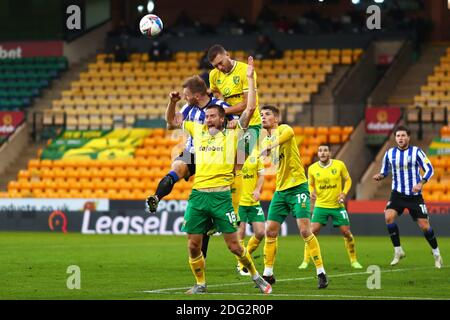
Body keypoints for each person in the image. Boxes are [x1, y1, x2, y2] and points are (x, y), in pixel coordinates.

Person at [157, 56, 272, 294]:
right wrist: (173, 103)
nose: (209, 119)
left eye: (213, 116)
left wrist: (250, 79)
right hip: (198, 196)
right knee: (192, 245)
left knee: (235, 247)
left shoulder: (232, 134)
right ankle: (200, 284)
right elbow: (171, 122)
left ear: (222, 119)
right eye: (207, 116)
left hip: (220, 197)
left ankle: (256, 276)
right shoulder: (196, 129)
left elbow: (250, 108)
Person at [145, 75, 237, 260]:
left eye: (186, 95)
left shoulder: (220, 107)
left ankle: (208, 238)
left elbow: (238, 124)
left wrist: (234, 124)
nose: (184, 98)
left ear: (196, 95)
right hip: (193, 151)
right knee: (177, 167)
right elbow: (171, 124)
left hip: (214, 156)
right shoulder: (189, 108)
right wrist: (172, 103)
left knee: (206, 203)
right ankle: (156, 197)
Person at [259, 105, 328, 289]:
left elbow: (283, 138)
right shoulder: (267, 139)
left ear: (276, 118)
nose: (263, 117)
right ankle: (268, 273)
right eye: (261, 115)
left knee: (305, 230)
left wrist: (269, 146)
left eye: (267, 114)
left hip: (298, 188)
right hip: (280, 191)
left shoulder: (285, 129)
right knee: (270, 230)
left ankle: (321, 272)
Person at [373, 125, 443, 268]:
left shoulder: (417, 152)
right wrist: (381, 176)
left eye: (403, 135)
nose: (400, 138)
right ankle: (398, 251)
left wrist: (421, 182)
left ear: (408, 137)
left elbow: (430, 169)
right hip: (397, 194)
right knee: (388, 217)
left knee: (425, 226)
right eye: (398, 136)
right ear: (395, 138)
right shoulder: (389, 153)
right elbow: (385, 170)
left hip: (414, 195)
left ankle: (436, 253)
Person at [207, 44, 262, 215]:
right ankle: (221, 211)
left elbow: (247, 104)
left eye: (221, 63)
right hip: (231, 124)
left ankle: (235, 214)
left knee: (237, 164)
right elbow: (216, 99)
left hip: (251, 124)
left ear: (228, 55)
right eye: (215, 65)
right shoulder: (214, 75)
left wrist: (223, 113)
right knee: (224, 169)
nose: (219, 68)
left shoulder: (246, 71)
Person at [298, 145, 363, 270]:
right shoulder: (312, 168)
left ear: (330, 153)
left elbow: (348, 180)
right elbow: (310, 183)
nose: (322, 153)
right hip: (320, 206)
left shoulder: (339, 165)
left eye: (325, 150)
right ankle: (305, 260)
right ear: (318, 153)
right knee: (311, 233)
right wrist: (311, 191)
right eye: (320, 151)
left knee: (347, 233)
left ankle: (354, 260)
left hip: (337, 206)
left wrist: (344, 193)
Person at [236, 147, 266, 276]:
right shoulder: (233, 154)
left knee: (260, 232)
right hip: (239, 202)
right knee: (240, 233)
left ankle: (244, 255)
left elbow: (261, 175)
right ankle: (241, 264)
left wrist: (258, 190)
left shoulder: (256, 154)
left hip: (253, 201)